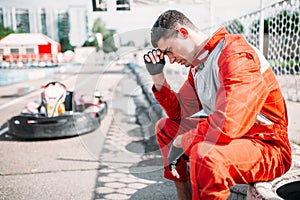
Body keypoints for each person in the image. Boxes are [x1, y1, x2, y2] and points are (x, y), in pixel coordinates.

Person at [143, 10, 292, 200]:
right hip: (237, 138)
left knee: (204, 155)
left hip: (268, 146)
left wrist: (184, 141)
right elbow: (178, 113)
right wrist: (158, 77)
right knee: (166, 128)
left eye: (169, 51)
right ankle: (185, 197)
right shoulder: (198, 67)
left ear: (183, 33)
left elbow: (228, 123)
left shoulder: (234, 53)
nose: (170, 59)